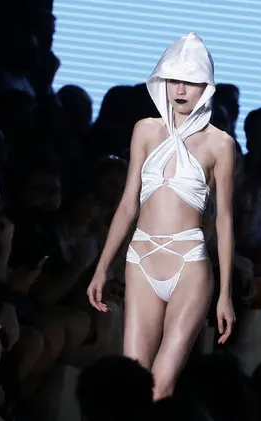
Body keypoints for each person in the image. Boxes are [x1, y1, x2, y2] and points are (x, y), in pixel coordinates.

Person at [87, 33, 236, 400]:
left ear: (207, 86)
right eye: (174, 80)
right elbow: (127, 204)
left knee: (162, 385)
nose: (181, 90)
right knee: (131, 381)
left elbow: (225, 220)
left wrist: (225, 294)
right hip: (140, 257)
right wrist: (102, 266)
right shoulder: (145, 130)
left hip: (189, 260)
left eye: (191, 81)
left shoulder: (221, 144)